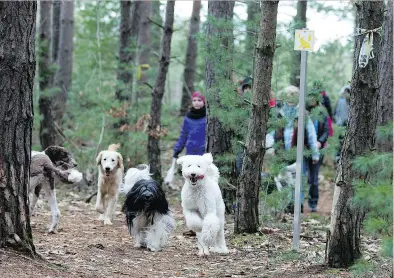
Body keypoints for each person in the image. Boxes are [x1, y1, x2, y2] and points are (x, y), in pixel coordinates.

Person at [272, 85, 320, 213]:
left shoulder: (303, 114)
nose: (291, 98)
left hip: (298, 153)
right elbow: (272, 132)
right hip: (281, 153)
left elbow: (311, 134)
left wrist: (315, 154)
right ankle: (286, 206)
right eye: (289, 95)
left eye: (294, 95)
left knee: (299, 179)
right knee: (283, 179)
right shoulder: (280, 113)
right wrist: (270, 148)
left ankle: (298, 206)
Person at [305, 94, 330, 212]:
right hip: (304, 149)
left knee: (313, 178)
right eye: (310, 98)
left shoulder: (322, 113)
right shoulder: (304, 112)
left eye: (314, 98)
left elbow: (326, 130)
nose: (312, 100)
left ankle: (313, 203)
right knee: (302, 176)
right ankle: (298, 202)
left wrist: (320, 142)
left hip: (317, 149)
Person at [173, 91, 206, 159]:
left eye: (199, 100)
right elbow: (183, 135)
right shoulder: (188, 118)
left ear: (204, 102)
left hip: (204, 152)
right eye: (194, 100)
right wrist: (177, 149)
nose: (196, 102)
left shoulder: (207, 117)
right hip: (191, 151)